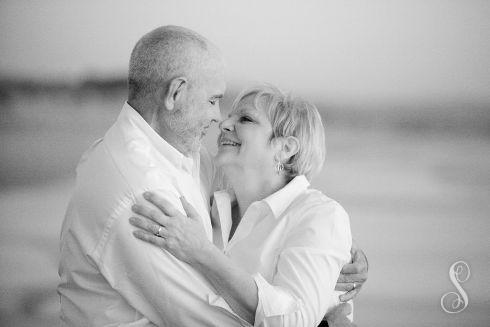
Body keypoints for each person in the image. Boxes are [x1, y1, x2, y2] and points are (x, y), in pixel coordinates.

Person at [58, 25, 367, 326]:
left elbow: (302, 214)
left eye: (242, 117)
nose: (221, 119)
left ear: (285, 148)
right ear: (175, 93)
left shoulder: (192, 164)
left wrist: (336, 262)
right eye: (213, 101)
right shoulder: (141, 190)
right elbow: (206, 317)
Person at [129, 85, 354, 326]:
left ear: (285, 148)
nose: (224, 124)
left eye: (245, 119)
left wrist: (203, 252)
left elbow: (294, 321)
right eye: (229, 116)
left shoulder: (321, 216)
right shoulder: (211, 200)